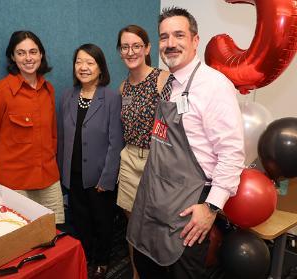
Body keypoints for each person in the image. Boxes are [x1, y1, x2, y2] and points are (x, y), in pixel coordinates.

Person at [127, 7, 245, 279]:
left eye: (179, 35)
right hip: (153, 200)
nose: (170, 43)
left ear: (195, 40)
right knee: (147, 267)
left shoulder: (213, 86)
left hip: (187, 206)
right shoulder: (169, 84)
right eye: (164, 37)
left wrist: (212, 208)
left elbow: (231, 153)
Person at [0, 30, 64, 224]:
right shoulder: (0, 91)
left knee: (53, 234)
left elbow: (52, 135)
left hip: (48, 179)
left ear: (41, 54)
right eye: (21, 53)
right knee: (19, 241)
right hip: (13, 184)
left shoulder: (48, 89)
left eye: (33, 52)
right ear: (12, 57)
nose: (28, 58)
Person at [57, 43, 124, 279]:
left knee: (102, 221)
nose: (83, 67)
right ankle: (85, 256)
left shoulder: (112, 97)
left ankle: (102, 260)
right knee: (80, 220)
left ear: (100, 67)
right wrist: (61, 173)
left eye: (90, 62)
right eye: (79, 62)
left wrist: (107, 178)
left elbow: (116, 143)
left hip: (99, 176)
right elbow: (62, 137)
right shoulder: (67, 96)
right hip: (73, 174)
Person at [116, 24, 169, 279]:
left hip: (155, 160)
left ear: (147, 48)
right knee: (132, 225)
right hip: (129, 158)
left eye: (137, 46)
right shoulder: (123, 88)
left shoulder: (162, 79)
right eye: (125, 47)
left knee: (156, 224)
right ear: (119, 52)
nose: (131, 51)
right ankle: (137, 273)